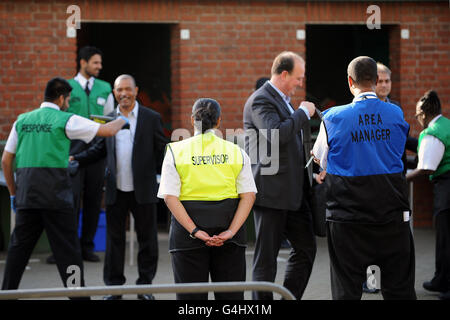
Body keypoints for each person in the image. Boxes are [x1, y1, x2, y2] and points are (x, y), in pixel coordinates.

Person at [1, 77, 127, 296]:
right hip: (56, 199)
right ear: (61, 98)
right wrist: (122, 118)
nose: (68, 104)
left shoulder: (21, 121)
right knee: (69, 254)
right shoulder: (65, 118)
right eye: (68, 99)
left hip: (26, 198)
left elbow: (5, 161)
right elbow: (108, 131)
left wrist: (13, 194)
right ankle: (77, 294)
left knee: (17, 252)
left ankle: (6, 292)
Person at [312, 56, 416, 300]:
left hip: (347, 217)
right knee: (400, 289)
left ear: (350, 81)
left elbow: (321, 160)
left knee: (346, 290)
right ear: (377, 80)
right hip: (391, 214)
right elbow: (397, 151)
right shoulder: (395, 113)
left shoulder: (332, 118)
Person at [75, 74, 167, 300]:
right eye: (119, 90)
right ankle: (114, 289)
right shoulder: (106, 119)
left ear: (136, 91)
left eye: (128, 89)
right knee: (114, 242)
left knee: (148, 241)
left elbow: (161, 150)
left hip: (144, 189)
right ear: (114, 93)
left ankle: (145, 288)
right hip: (116, 189)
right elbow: (98, 149)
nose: (123, 93)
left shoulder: (151, 118)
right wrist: (76, 159)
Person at [158, 98, 257, 300]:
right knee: (232, 302)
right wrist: (230, 232)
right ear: (219, 121)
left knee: (191, 303)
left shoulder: (175, 151)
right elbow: (249, 196)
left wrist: (195, 231)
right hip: (229, 236)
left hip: (187, 237)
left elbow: (170, 197)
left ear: (192, 119)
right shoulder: (237, 152)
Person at [243, 51, 316, 300]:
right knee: (266, 261)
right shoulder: (260, 100)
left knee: (306, 249)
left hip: (294, 194)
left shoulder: (283, 100)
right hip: (271, 194)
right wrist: (303, 113)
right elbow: (276, 135)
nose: (300, 83)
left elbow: (291, 144)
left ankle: (288, 297)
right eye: (298, 77)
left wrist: (312, 171)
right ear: (284, 74)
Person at [46, 46, 115, 264]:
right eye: (95, 63)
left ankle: (87, 247)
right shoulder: (68, 87)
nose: (99, 67)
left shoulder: (105, 88)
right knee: (70, 201)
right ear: (83, 63)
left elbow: (110, 119)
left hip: (96, 150)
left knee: (94, 200)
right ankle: (66, 248)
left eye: (100, 63)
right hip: (71, 151)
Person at [406, 90, 450, 300]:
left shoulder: (433, 132)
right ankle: (441, 279)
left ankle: (446, 284)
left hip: (446, 188)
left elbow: (426, 168)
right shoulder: (446, 125)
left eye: (417, 115)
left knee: (445, 237)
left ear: (424, 113)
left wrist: (402, 179)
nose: (417, 119)